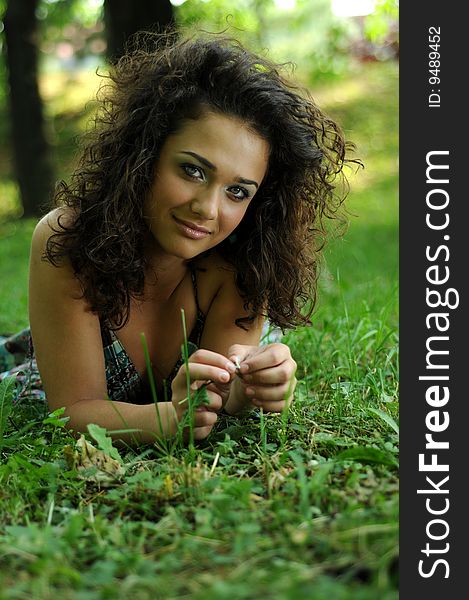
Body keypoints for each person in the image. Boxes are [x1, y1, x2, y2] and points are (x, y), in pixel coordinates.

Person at [0, 32, 355, 444]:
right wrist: (169, 421)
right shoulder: (70, 242)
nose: (208, 209)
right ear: (145, 155)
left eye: (237, 191)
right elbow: (74, 411)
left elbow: (223, 397)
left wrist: (249, 389)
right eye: (193, 170)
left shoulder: (246, 263)